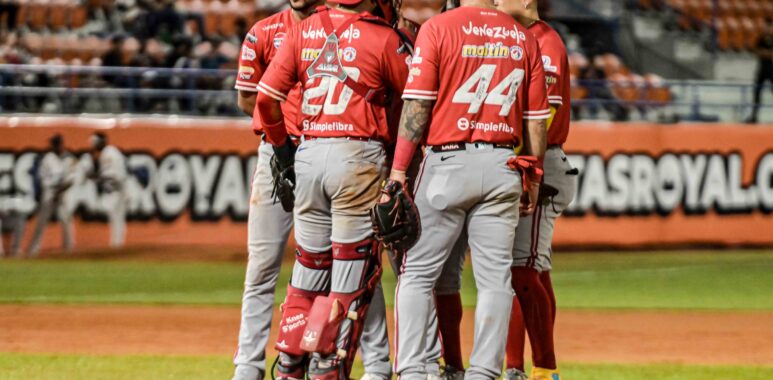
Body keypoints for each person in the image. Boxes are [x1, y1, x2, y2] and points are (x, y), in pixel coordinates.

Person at [387, 0, 550, 376]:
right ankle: (484, 373)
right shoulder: (522, 37)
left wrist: (398, 173)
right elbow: (537, 122)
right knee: (495, 280)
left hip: (447, 161)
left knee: (417, 274)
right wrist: (535, 176)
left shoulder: (439, 27)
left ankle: (412, 371)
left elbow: (417, 106)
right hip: (502, 164)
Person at [255, 0, 411, 377]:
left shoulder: (303, 29)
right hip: (358, 157)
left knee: (307, 274)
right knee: (348, 284)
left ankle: (290, 365)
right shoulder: (385, 37)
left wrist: (282, 151)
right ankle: (329, 368)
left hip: (309, 151)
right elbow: (417, 102)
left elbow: (264, 100)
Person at [230, 0, 326, 378]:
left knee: (326, 265)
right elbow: (247, 98)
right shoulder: (263, 31)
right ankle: (248, 366)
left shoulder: (337, 26)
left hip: (322, 150)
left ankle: (323, 357)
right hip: (276, 152)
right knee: (261, 265)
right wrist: (280, 131)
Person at [26, 135, 77, 256]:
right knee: (42, 221)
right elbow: (43, 179)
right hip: (49, 192)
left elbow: (72, 179)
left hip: (63, 192)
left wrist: (59, 192)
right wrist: (53, 192)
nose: (53, 146)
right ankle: (34, 249)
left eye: (55, 144)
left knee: (66, 220)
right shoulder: (48, 158)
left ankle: (69, 248)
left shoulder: (70, 159)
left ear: (60, 144)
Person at [88, 132, 128, 248]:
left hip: (118, 188)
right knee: (116, 217)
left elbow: (112, 175)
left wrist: (96, 177)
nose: (93, 145)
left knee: (115, 216)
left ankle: (117, 245)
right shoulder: (109, 151)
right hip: (116, 187)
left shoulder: (108, 153)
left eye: (94, 143)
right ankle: (117, 244)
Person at [747, 22, 773, 124]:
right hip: (762, 68)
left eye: (770, 27)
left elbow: (767, 54)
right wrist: (767, 53)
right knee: (757, 91)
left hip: (771, 69)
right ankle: (754, 116)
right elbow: (756, 52)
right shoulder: (761, 39)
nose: (768, 29)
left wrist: (764, 53)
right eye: (766, 27)